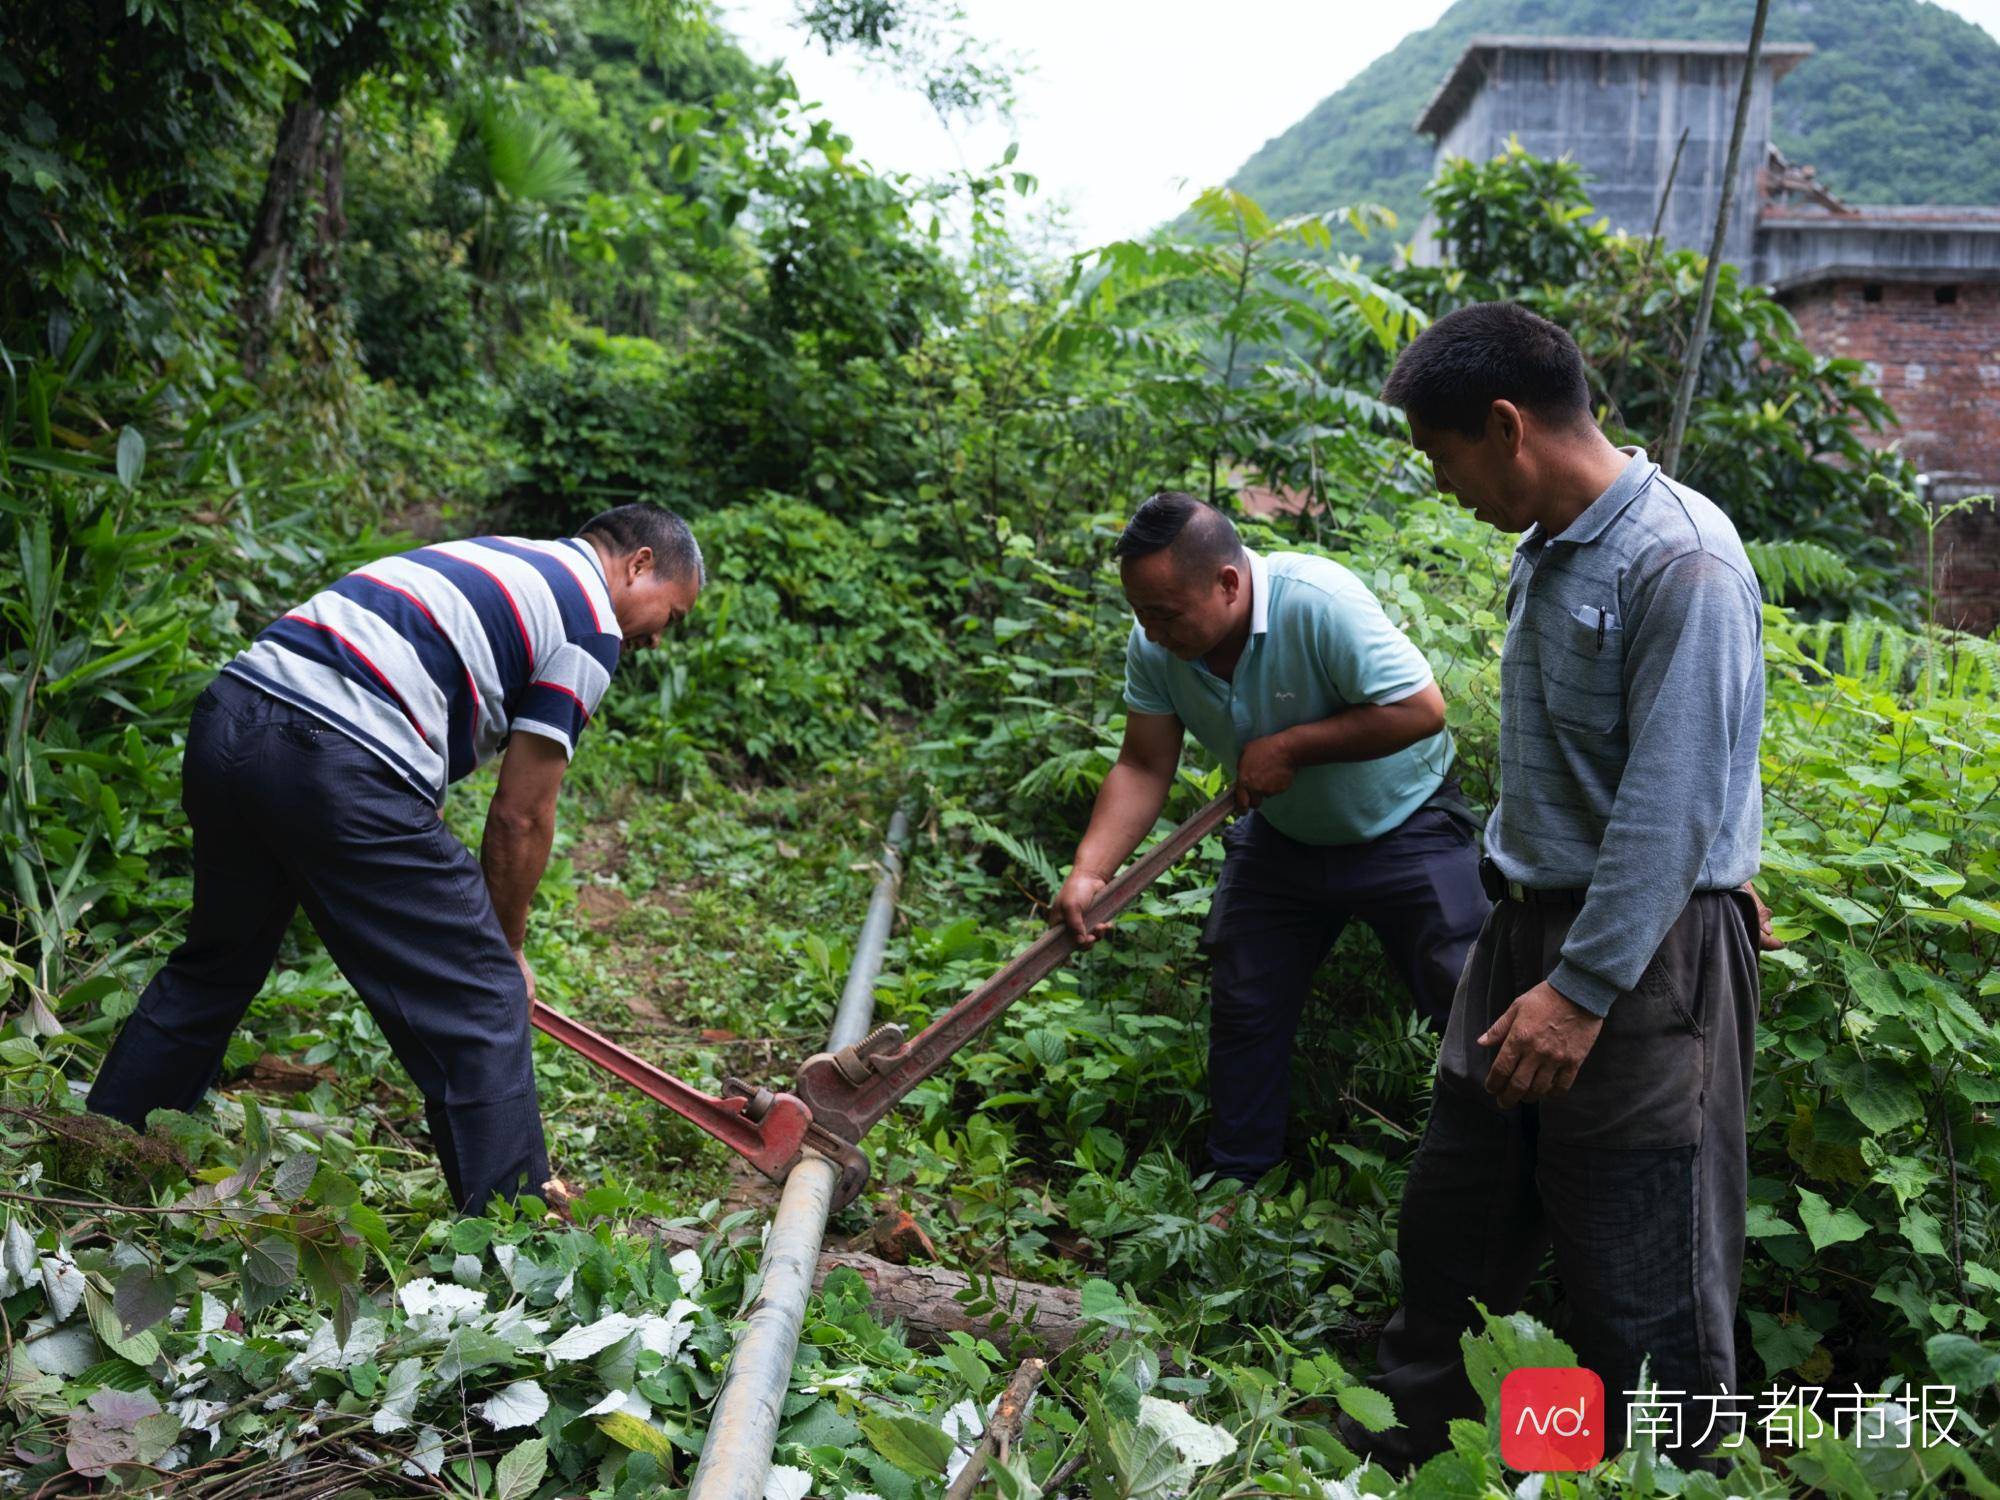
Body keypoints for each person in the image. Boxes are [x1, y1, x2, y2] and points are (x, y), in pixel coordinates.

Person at [1355, 302, 1774, 1470]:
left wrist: (1585, 986)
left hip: (1638, 975)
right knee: (1452, 1235)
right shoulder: (1547, 546)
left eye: (1444, 460)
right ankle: (1412, 1467)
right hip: (1524, 935)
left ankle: (1665, 1483)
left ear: (1505, 426)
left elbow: (1676, 793)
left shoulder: (1680, 560)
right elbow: (1651, 766)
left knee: (1640, 1288)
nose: (1443, 487)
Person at [87, 503, 703, 1212]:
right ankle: (516, 1228)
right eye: (672, 615)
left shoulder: (507, 557)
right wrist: (506, 952)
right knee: (483, 995)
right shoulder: (590, 620)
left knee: (215, 965)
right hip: (334, 753)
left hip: (232, 719)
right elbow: (521, 812)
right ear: (640, 565)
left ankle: (103, 1154)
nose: (657, 639)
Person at [1053, 492, 1488, 1190]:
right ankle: (1238, 1183)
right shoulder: (1156, 643)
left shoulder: (1317, 601)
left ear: (1229, 583)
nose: (1151, 631)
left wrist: (1293, 746)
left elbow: (1421, 711)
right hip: (1283, 839)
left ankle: (1501, 1175)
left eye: (1165, 614)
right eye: (1140, 613)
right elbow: (1142, 763)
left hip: (1407, 825)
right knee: (1245, 999)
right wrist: (1089, 871)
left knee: (1468, 996)